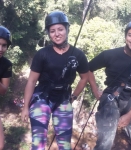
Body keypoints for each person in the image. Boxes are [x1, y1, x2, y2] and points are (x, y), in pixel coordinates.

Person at [21, 10, 89, 150]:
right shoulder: (42, 54)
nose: (57, 34)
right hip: (42, 97)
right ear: (49, 33)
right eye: (52, 31)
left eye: (60, 29)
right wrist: (25, 107)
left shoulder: (78, 55)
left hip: (63, 99)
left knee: (65, 145)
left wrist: (74, 96)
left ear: (67, 29)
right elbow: (32, 81)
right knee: (38, 143)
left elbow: (84, 78)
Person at [89, 20, 131, 150]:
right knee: (106, 142)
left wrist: (130, 115)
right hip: (110, 98)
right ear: (125, 36)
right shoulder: (110, 55)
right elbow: (88, 69)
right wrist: (95, 90)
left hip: (129, 101)